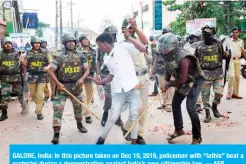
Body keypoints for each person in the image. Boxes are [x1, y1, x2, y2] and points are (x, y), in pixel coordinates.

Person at [91, 31, 146, 144]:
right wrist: (101, 82)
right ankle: (101, 139)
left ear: (105, 43)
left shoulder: (123, 46)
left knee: (134, 115)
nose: (99, 47)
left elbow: (143, 49)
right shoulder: (106, 58)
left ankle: (134, 141)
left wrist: (129, 37)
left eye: (99, 44)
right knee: (113, 116)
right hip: (118, 91)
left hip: (133, 87)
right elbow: (112, 75)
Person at [157, 32, 206, 144]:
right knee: (175, 104)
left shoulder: (183, 58)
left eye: (165, 49)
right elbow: (168, 68)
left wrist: (169, 84)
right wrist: (166, 80)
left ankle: (197, 137)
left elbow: (182, 80)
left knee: (191, 108)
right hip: (183, 79)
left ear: (173, 47)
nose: (163, 52)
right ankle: (179, 130)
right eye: (162, 49)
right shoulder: (166, 55)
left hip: (195, 80)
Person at [48, 33, 90, 144]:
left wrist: (82, 79)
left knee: (78, 109)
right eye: (69, 41)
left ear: (76, 43)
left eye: (73, 41)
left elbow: (87, 70)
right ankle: (56, 134)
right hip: (62, 88)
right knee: (57, 110)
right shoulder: (59, 56)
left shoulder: (81, 56)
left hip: (76, 87)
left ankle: (80, 124)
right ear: (64, 43)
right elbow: (51, 71)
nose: (71, 43)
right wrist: (58, 83)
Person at [120, 18, 150, 144]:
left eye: (131, 28)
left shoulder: (138, 40)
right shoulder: (121, 43)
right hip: (133, 79)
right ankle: (131, 130)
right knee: (137, 107)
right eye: (127, 28)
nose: (129, 30)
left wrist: (136, 28)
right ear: (122, 30)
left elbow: (145, 42)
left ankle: (139, 133)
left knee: (144, 108)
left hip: (144, 76)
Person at [195, 25, 228, 123]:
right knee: (205, 96)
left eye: (208, 34)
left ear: (212, 34)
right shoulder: (199, 46)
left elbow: (223, 56)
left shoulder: (218, 44)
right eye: (204, 34)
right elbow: (194, 59)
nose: (205, 36)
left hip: (217, 73)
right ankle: (207, 113)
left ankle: (214, 106)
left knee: (219, 93)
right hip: (205, 75)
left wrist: (227, 54)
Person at [96, 25, 123, 127]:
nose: (111, 36)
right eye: (109, 35)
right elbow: (98, 61)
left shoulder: (119, 46)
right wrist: (98, 74)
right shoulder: (100, 48)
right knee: (108, 97)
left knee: (119, 96)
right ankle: (105, 114)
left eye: (113, 34)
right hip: (105, 74)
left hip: (117, 75)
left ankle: (118, 117)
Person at [23, 36, 52, 120]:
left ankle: (38, 112)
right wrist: (22, 61)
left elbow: (51, 62)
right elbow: (25, 65)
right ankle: (40, 103)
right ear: (32, 44)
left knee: (39, 94)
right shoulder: (27, 53)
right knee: (32, 95)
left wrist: (48, 67)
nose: (37, 44)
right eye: (35, 43)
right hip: (31, 75)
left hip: (42, 76)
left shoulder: (46, 52)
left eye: (38, 43)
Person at [0, 37, 27, 121]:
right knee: (4, 97)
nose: (8, 45)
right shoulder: (0, 54)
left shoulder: (17, 54)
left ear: (12, 45)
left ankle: (24, 107)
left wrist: (22, 61)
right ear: (3, 45)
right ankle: (4, 114)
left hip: (16, 78)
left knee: (20, 94)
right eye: (6, 43)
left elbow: (24, 66)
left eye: (9, 43)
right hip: (5, 79)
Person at [150, 27, 174, 112]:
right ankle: (164, 102)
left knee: (170, 86)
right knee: (161, 86)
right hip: (160, 69)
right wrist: (152, 70)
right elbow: (155, 58)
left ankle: (169, 104)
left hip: (171, 69)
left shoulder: (174, 44)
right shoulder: (159, 45)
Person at [77, 34, 96, 124]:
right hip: (79, 75)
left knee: (89, 94)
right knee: (81, 95)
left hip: (90, 75)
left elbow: (97, 63)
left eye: (86, 39)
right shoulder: (77, 51)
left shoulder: (93, 51)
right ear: (80, 42)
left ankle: (86, 110)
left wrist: (97, 74)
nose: (85, 41)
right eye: (83, 39)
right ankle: (87, 114)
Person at [183, 30, 204, 112]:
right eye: (193, 38)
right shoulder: (186, 46)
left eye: (196, 38)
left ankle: (198, 104)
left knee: (198, 87)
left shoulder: (201, 46)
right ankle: (193, 104)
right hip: (189, 71)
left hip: (199, 70)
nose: (195, 39)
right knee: (192, 88)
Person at [225, 27, 245, 99]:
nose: (235, 34)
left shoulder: (241, 41)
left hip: (238, 60)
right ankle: (229, 92)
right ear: (232, 33)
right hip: (231, 60)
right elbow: (225, 51)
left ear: (238, 33)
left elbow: (242, 51)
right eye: (233, 32)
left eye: (236, 32)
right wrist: (226, 53)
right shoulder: (228, 41)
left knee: (237, 77)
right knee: (231, 76)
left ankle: (235, 94)